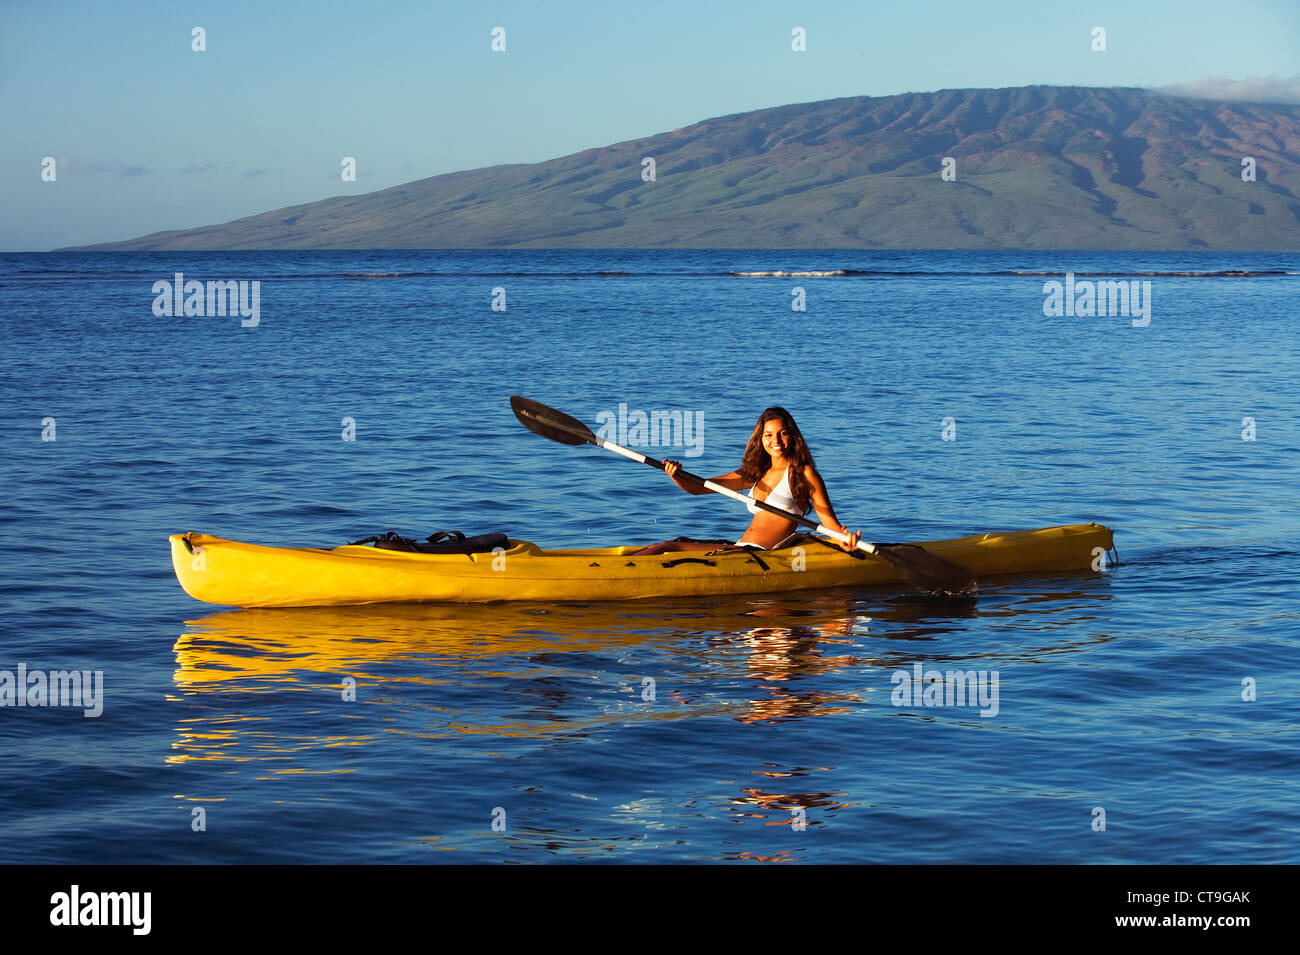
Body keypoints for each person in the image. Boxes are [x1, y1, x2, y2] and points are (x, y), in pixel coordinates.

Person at [632, 407, 862, 555]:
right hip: (740, 549)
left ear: (792, 436)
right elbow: (699, 488)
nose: (776, 440)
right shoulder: (755, 473)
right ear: (760, 439)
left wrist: (844, 540)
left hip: (760, 554)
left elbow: (829, 522)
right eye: (769, 435)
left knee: (666, 547)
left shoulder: (803, 473)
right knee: (661, 547)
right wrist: (675, 474)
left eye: (783, 433)